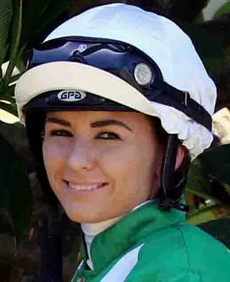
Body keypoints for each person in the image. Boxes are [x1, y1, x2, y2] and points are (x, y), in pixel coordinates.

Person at [15, 3, 230, 282]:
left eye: (108, 135)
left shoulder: (184, 273)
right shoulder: (113, 258)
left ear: (174, 152)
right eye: (61, 132)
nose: (76, 160)